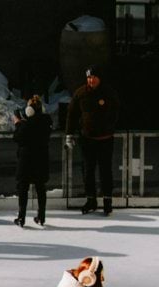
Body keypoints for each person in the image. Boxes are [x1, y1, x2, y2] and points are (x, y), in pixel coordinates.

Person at [65, 66, 120, 216]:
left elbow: (116, 111)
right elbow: (72, 114)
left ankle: (107, 201)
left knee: (105, 171)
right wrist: (69, 134)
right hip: (87, 140)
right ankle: (91, 200)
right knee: (88, 171)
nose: (91, 80)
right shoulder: (81, 93)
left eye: (94, 77)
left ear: (99, 78)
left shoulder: (108, 93)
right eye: (89, 77)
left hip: (105, 139)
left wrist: (110, 126)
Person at [13, 94, 51, 228]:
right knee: (41, 188)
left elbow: (17, 138)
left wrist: (18, 124)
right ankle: (41, 216)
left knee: (23, 188)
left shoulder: (26, 124)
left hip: (26, 159)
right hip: (41, 159)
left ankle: (21, 217)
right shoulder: (46, 123)